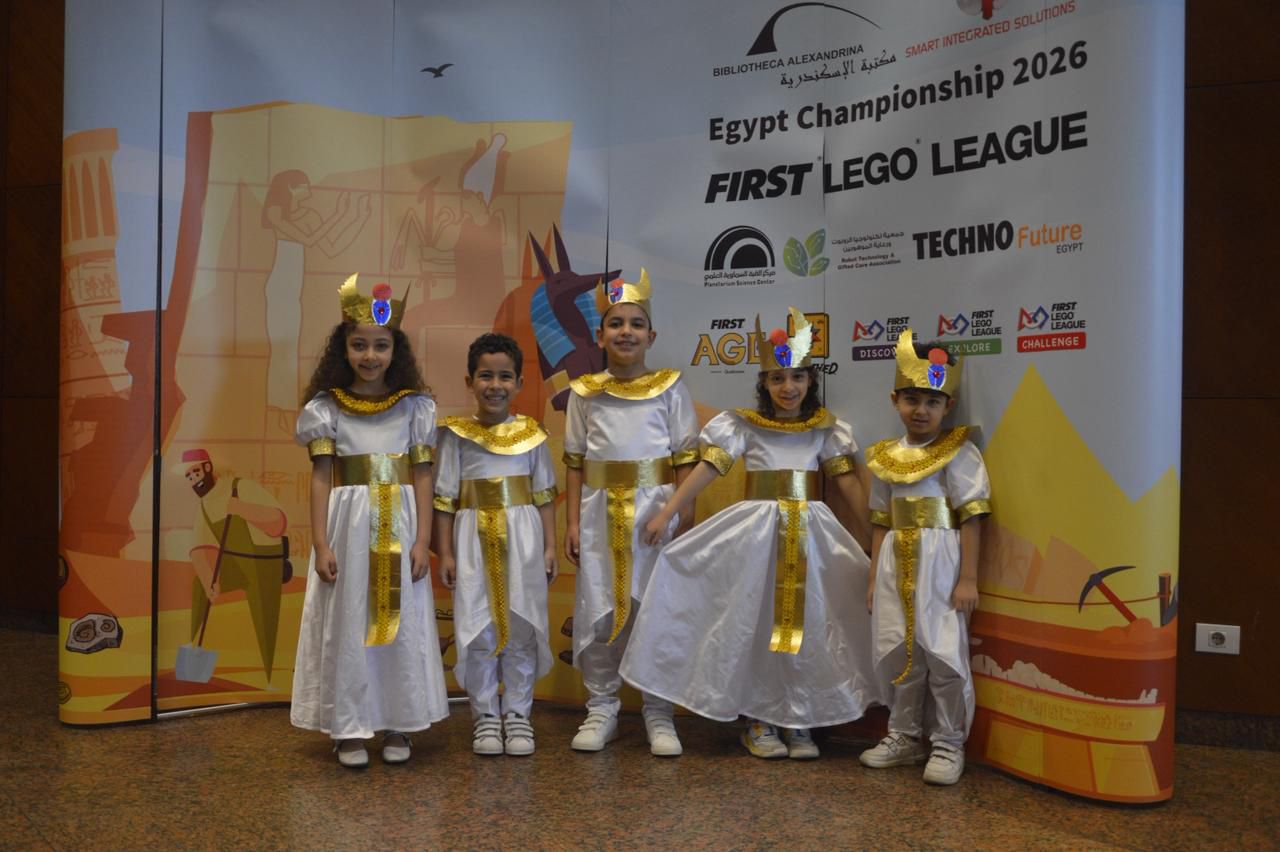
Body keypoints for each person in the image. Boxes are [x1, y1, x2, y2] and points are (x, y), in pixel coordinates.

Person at [621, 308, 880, 759]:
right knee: (755, 623)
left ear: (810, 381)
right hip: (757, 539)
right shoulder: (744, 426)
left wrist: (876, 540)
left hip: (811, 537)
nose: (788, 387)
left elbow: (849, 486)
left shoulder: (826, 430)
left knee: (808, 622)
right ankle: (759, 718)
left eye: (797, 377)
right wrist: (668, 513)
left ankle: (797, 717)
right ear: (763, 383)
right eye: (777, 378)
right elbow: (707, 470)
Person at [291, 274, 447, 769]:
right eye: (359, 345)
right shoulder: (327, 408)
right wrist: (321, 544)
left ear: (395, 351)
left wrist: (423, 541)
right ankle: (349, 726)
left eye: (381, 346)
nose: (370, 356)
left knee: (400, 621)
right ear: (344, 348)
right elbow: (322, 477)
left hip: (401, 525)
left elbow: (423, 476)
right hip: (349, 529)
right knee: (350, 620)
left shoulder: (415, 407)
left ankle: (399, 721)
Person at [562, 269, 699, 756]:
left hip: (655, 516)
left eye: (636, 324)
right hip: (600, 518)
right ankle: (602, 707)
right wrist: (572, 522)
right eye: (616, 323)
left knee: (654, 610)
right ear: (600, 336)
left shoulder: (670, 388)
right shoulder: (584, 392)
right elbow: (575, 461)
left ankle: (658, 710)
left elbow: (686, 459)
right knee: (602, 610)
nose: (626, 332)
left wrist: (682, 518)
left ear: (651, 336)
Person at [858, 329, 991, 786]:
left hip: (940, 564)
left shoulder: (959, 452)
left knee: (943, 652)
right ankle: (904, 734)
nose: (921, 410)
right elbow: (881, 521)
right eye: (912, 399)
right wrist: (874, 577)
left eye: (932, 401)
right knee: (902, 651)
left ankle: (949, 741)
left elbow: (971, 517)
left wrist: (968, 578)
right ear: (895, 400)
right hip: (895, 563)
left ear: (947, 405)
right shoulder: (884, 457)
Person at [433, 333, 558, 757]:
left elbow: (544, 495)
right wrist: (445, 552)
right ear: (469, 381)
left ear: (519, 383)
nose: (495, 385)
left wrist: (550, 546)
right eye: (485, 376)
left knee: (521, 626)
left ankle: (518, 713)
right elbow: (444, 499)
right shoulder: (456, 435)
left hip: (524, 540)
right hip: (471, 540)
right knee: (479, 629)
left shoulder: (532, 435)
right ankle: (485, 715)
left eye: (505, 376)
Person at [177, 449, 289, 683]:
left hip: (265, 561)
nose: (193, 479)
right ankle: (194, 644)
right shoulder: (205, 505)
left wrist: (242, 509)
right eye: (188, 476)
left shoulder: (240, 487)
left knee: (264, 613)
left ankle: (269, 674)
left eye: (195, 472)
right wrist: (209, 580)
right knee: (200, 585)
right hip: (235, 563)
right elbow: (199, 549)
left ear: (208, 468)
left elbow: (278, 522)